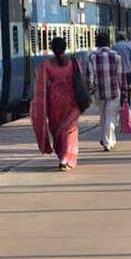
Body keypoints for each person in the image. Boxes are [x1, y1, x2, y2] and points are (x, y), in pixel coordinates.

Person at [30, 37, 81, 172]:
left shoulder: (46, 66)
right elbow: (81, 81)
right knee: (70, 131)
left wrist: (39, 106)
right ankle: (66, 158)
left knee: (57, 131)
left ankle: (62, 156)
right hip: (72, 102)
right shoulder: (74, 62)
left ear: (52, 49)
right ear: (65, 47)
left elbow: (41, 88)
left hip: (54, 103)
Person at [88, 33, 127, 152]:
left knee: (103, 116)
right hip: (114, 91)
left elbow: (90, 77)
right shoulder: (116, 56)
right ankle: (108, 142)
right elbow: (121, 75)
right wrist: (124, 90)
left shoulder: (92, 57)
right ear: (108, 42)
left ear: (97, 43)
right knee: (111, 116)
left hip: (99, 92)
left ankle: (107, 139)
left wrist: (90, 89)